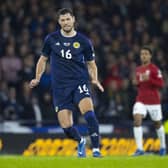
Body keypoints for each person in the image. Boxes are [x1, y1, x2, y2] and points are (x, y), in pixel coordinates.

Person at [29, 8, 104, 157]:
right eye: (62, 20)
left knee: (89, 113)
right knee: (66, 126)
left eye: (68, 19)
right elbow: (43, 60)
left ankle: (96, 149)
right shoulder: (51, 39)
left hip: (79, 82)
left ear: (73, 20)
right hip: (60, 87)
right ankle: (81, 141)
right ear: (59, 22)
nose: (66, 22)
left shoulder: (84, 41)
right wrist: (37, 77)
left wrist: (94, 78)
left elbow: (91, 64)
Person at [132, 46, 166, 156]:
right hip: (141, 100)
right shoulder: (138, 70)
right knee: (137, 119)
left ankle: (163, 147)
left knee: (158, 124)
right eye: (142, 54)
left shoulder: (155, 69)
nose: (144, 56)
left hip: (154, 102)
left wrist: (150, 79)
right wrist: (135, 83)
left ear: (150, 56)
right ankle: (140, 149)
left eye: (146, 53)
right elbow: (138, 83)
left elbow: (161, 84)